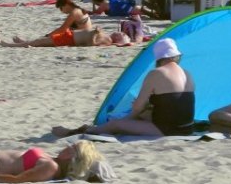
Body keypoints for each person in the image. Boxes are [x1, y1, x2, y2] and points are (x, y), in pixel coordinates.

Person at [53, 37, 195, 138]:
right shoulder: (187, 73)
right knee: (144, 115)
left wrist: (132, 115)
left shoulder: (156, 73)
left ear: (158, 58)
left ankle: (80, 132)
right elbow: (176, 103)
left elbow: (137, 108)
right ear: (176, 56)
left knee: (116, 125)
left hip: (168, 130)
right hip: (187, 127)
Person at [0, 29, 127, 48]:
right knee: (42, 40)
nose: (120, 32)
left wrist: (94, 33)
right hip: (70, 35)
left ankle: (11, 45)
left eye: (122, 34)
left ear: (118, 39)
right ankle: (24, 42)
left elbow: (91, 44)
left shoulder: (108, 40)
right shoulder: (107, 34)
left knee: (40, 42)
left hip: (70, 40)